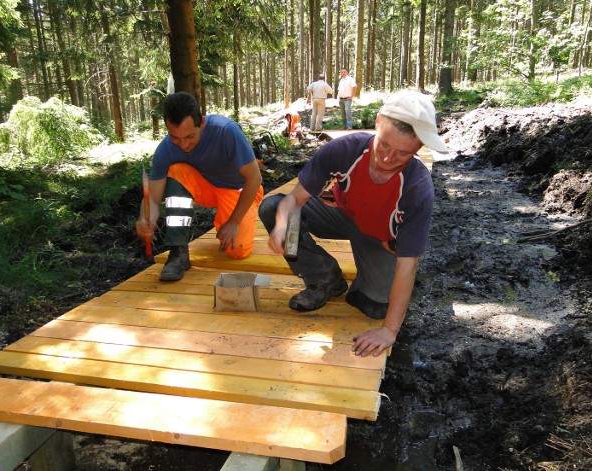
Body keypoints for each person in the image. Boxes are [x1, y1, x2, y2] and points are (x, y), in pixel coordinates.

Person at [258, 90, 448, 358]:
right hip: (340, 215)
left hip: (378, 235)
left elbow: (409, 262)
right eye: (384, 145)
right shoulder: (345, 150)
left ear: (418, 148)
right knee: (273, 207)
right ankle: (324, 279)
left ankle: (362, 285)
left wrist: (389, 331)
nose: (388, 159)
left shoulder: (417, 187)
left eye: (403, 154)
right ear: (378, 123)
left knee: (376, 306)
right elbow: (294, 200)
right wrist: (281, 225)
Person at [137, 91, 263, 282]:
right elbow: (153, 198)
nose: (183, 145)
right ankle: (178, 252)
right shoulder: (166, 149)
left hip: (237, 189)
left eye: (189, 136)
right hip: (205, 189)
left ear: (202, 123)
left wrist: (234, 222)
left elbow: (254, 178)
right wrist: (146, 218)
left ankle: (231, 218)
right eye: (175, 138)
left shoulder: (226, 131)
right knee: (176, 171)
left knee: (237, 250)